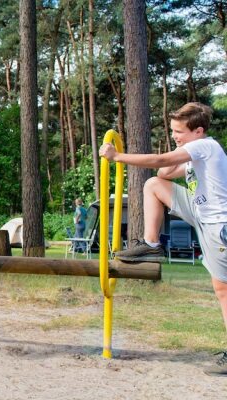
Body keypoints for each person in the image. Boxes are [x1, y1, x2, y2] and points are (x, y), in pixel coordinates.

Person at [99, 102, 227, 376]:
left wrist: (117, 157)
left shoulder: (206, 146)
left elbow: (160, 161)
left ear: (199, 131)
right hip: (201, 215)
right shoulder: (194, 157)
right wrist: (174, 161)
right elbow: (163, 173)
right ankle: (151, 244)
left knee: (223, 291)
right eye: (173, 131)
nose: (175, 137)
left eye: (179, 132)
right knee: (153, 185)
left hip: (218, 226)